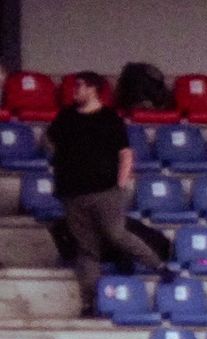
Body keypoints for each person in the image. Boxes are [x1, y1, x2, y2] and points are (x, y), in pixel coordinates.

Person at [41, 70, 171, 316]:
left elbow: (125, 153)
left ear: (92, 89)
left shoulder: (110, 118)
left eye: (79, 86)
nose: (75, 91)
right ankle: (89, 302)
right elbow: (49, 140)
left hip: (106, 192)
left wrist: (121, 183)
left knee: (116, 234)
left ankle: (158, 265)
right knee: (86, 248)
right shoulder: (67, 116)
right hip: (73, 193)